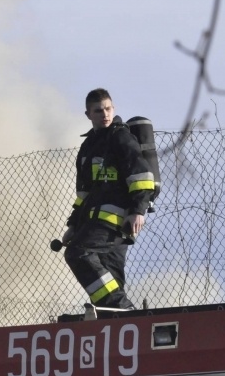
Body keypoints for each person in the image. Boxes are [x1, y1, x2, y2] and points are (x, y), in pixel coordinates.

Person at [61, 88, 155, 310]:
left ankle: (121, 307)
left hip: (117, 219)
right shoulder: (88, 147)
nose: (105, 114)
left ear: (113, 109)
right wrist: (73, 224)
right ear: (88, 115)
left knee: (77, 253)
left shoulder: (121, 137)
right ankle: (114, 315)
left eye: (108, 108)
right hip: (94, 218)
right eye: (98, 110)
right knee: (110, 276)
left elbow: (142, 176)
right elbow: (84, 193)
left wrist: (138, 211)